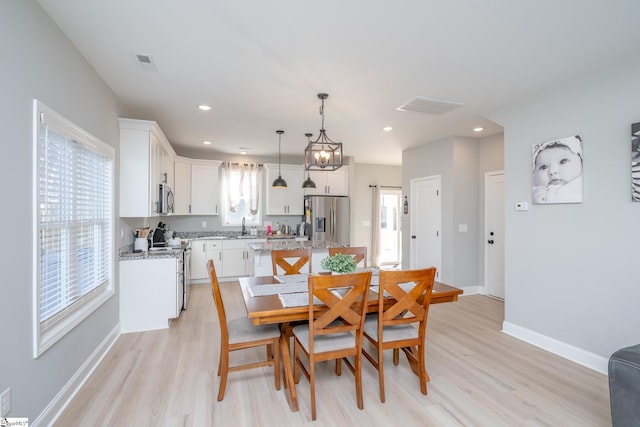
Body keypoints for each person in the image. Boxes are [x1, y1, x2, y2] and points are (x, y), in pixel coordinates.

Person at [532, 135, 583, 204]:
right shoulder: (536, 193)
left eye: (563, 161)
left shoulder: (579, 188)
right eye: (543, 167)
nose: (552, 172)